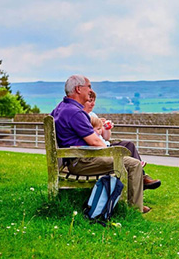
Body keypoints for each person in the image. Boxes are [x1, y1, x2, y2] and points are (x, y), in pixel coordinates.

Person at [51, 74, 151, 213]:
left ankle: (132, 200)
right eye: (89, 87)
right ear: (79, 89)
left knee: (126, 150)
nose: (90, 91)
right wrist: (113, 154)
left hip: (77, 158)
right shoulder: (75, 112)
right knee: (133, 164)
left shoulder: (62, 108)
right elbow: (96, 142)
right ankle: (134, 210)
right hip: (82, 162)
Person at [84, 91, 161, 190]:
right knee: (130, 163)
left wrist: (107, 128)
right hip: (101, 149)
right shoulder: (83, 116)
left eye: (94, 101)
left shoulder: (93, 115)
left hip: (106, 145)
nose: (93, 104)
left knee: (129, 145)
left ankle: (142, 176)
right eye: (89, 101)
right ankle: (142, 179)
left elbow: (106, 137)